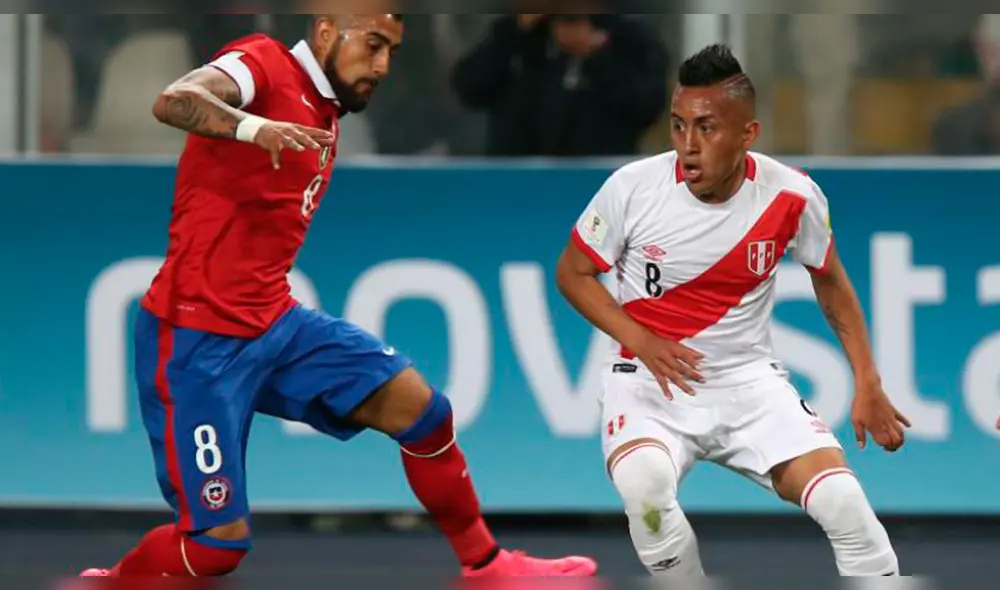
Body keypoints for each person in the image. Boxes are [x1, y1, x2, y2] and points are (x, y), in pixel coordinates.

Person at [80, 14, 597, 579]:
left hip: (273, 324)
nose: (380, 65)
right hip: (194, 342)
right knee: (214, 549)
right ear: (328, 35)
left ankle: (488, 567)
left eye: (392, 53)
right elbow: (175, 100)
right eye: (372, 46)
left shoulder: (325, 109)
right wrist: (254, 129)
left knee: (424, 413)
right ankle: (116, 582)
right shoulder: (264, 65)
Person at [555, 43, 907, 577]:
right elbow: (572, 273)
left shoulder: (792, 195)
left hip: (748, 383)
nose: (687, 146)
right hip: (650, 383)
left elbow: (830, 281)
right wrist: (643, 340)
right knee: (646, 492)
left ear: (748, 135)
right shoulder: (631, 189)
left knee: (844, 502)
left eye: (706, 128)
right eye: (678, 127)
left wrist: (867, 379)